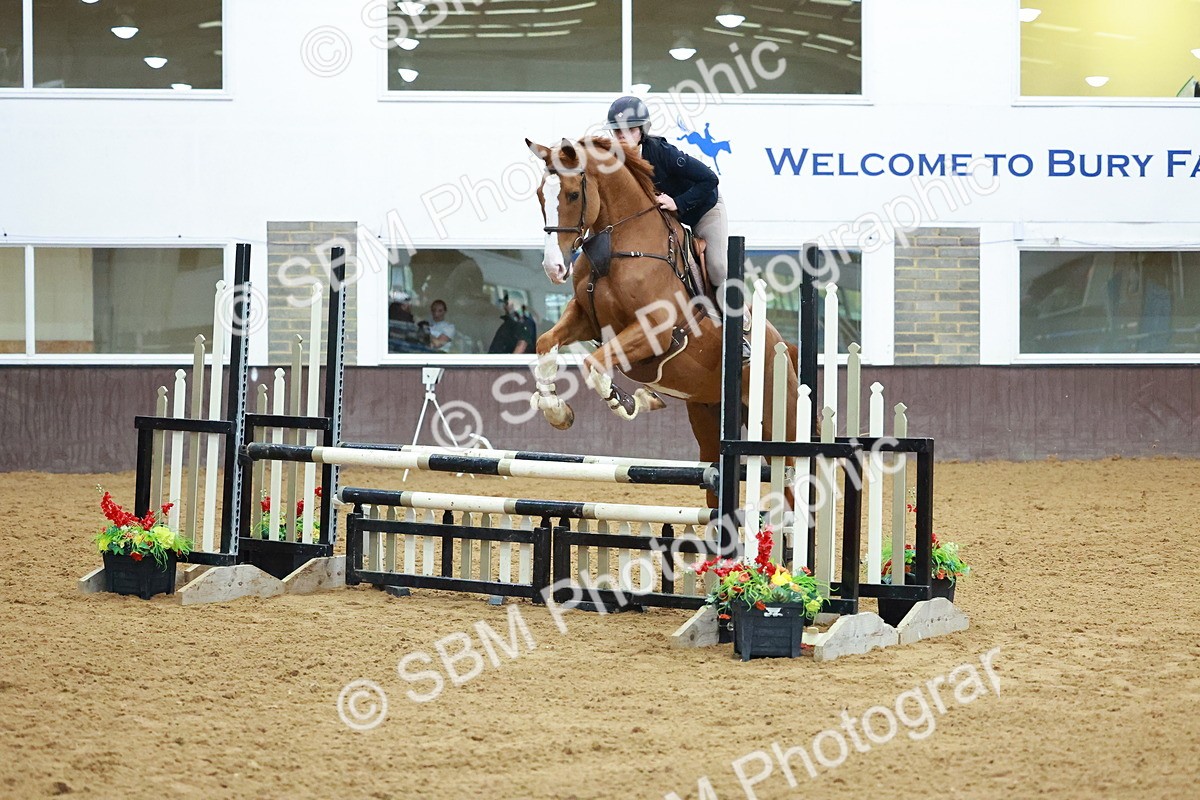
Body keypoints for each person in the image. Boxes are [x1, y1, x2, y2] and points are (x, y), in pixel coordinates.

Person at [604, 95, 729, 288]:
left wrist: (678, 203)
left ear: (642, 131)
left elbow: (710, 179)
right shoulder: (613, 161)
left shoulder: (661, 152)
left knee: (718, 269)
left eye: (630, 129)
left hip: (704, 209)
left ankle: (738, 315)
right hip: (668, 218)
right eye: (618, 130)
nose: (622, 135)